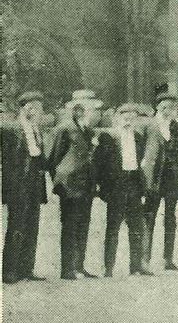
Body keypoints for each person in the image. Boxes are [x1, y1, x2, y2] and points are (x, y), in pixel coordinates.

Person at [50, 90, 103, 280]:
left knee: (83, 225)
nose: (98, 114)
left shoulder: (89, 132)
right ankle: (67, 269)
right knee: (70, 226)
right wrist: (62, 182)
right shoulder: (65, 129)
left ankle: (79, 266)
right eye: (93, 110)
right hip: (70, 187)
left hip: (86, 186)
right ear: (80, 111)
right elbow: (54, 158)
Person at [93, 103, 151, 277]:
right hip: (117, 186)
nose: (128, 120)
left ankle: (135, 267)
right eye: (125, 117)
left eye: (132, 117)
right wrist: (103, 187)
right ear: (117, 118)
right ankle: (108, 268)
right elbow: (99, 163)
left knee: (136, 227)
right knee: (113, 228)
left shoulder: (138, 137)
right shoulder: (109, 136)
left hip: (133, 183)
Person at [2, 91, 49, 283]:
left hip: (34, 185)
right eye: (37, 108)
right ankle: (9, 270)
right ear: (27, 108)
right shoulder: (11, 129)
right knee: (16, 227)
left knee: (32, 226)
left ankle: (26, 268)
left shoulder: (35, 129)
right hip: (18, 185)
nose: (40, 112)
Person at [141, 92, 178, 272]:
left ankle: (168, 259)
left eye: (172, 107)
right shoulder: (149, 126)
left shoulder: (177, 127)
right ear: (158, 107)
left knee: (171, 218)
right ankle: (144, 259)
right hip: (153, 179)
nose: (169, 110)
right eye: (165, 107)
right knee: (149, 216)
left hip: (172, 179)